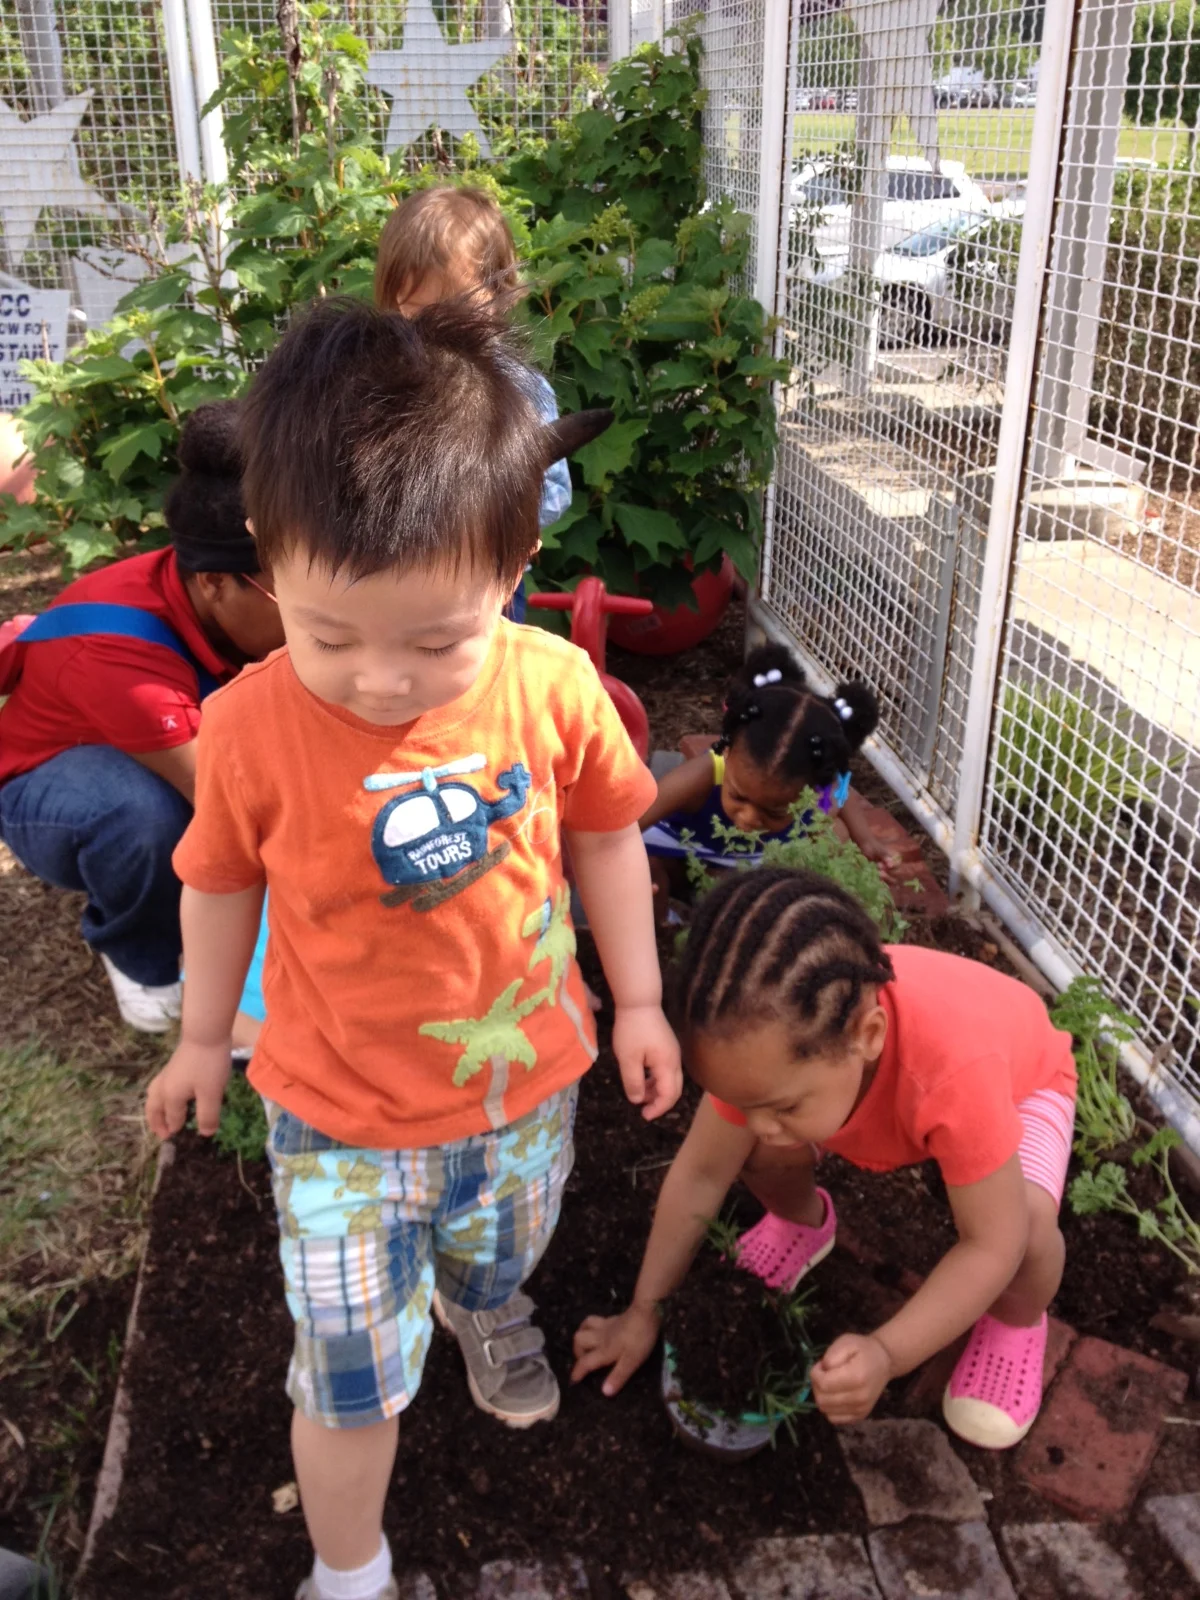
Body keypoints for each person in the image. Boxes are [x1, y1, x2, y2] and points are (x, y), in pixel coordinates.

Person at [143, 298, 681, 1600]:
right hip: (333, 1119)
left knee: (500, 1257)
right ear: (270, 558)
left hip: (522, 1089)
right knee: (345, 1378)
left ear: (513, 565)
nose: (380, 679)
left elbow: (608, 836)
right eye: (329, 635)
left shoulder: (551, 688)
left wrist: (641, 999)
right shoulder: (249, 728)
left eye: (437, 642)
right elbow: (217, 883)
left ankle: (482, 1305)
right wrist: (205, 1036)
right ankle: (350, 1569)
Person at [572, 867, 1078, 1453]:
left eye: (782, 1105)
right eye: (742, 1101)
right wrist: (644, 1310)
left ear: (868, 1035)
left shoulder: (952, 1076)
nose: (757, 1121)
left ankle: (1016, 1321)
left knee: (1025, 1226)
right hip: (892, 1099)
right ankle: (799, 1223)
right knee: (753, 1144)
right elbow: (702, 1172)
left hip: (1022, 1088)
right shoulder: (771, 1046)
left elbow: (991, 1244)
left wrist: (887, 1353)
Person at [0, 402, 283, 1032]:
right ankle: (142, 957)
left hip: (158, 748)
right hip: (54, 781)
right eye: (289, 594)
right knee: (146, 818)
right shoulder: (120, 653)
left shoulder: (229, 597)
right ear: (215, 584)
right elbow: (227, 803)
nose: (318, 615)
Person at [374, 184, 572, 620]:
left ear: (500, 294)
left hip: (490, 583)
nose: (439, 325)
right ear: (393, 302)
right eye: (418, 309)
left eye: (458, 307)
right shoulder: (385, 380)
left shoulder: (521, 387)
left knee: (490, 659)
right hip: (401, 578)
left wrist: (486, 507)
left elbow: (556, 491)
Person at [640, 643, 890, 911]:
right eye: (738, 797)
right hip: (682, 854)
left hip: (753, 863)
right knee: (645, 870)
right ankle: (663, 924)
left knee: (836, 834)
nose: (748, 818)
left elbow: (840, 792)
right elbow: (630, 823)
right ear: (727, 752)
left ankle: (736, 898)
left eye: (773, 811)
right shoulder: (704, 774)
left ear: (811, 790)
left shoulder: (820, 796)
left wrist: (865, 840)